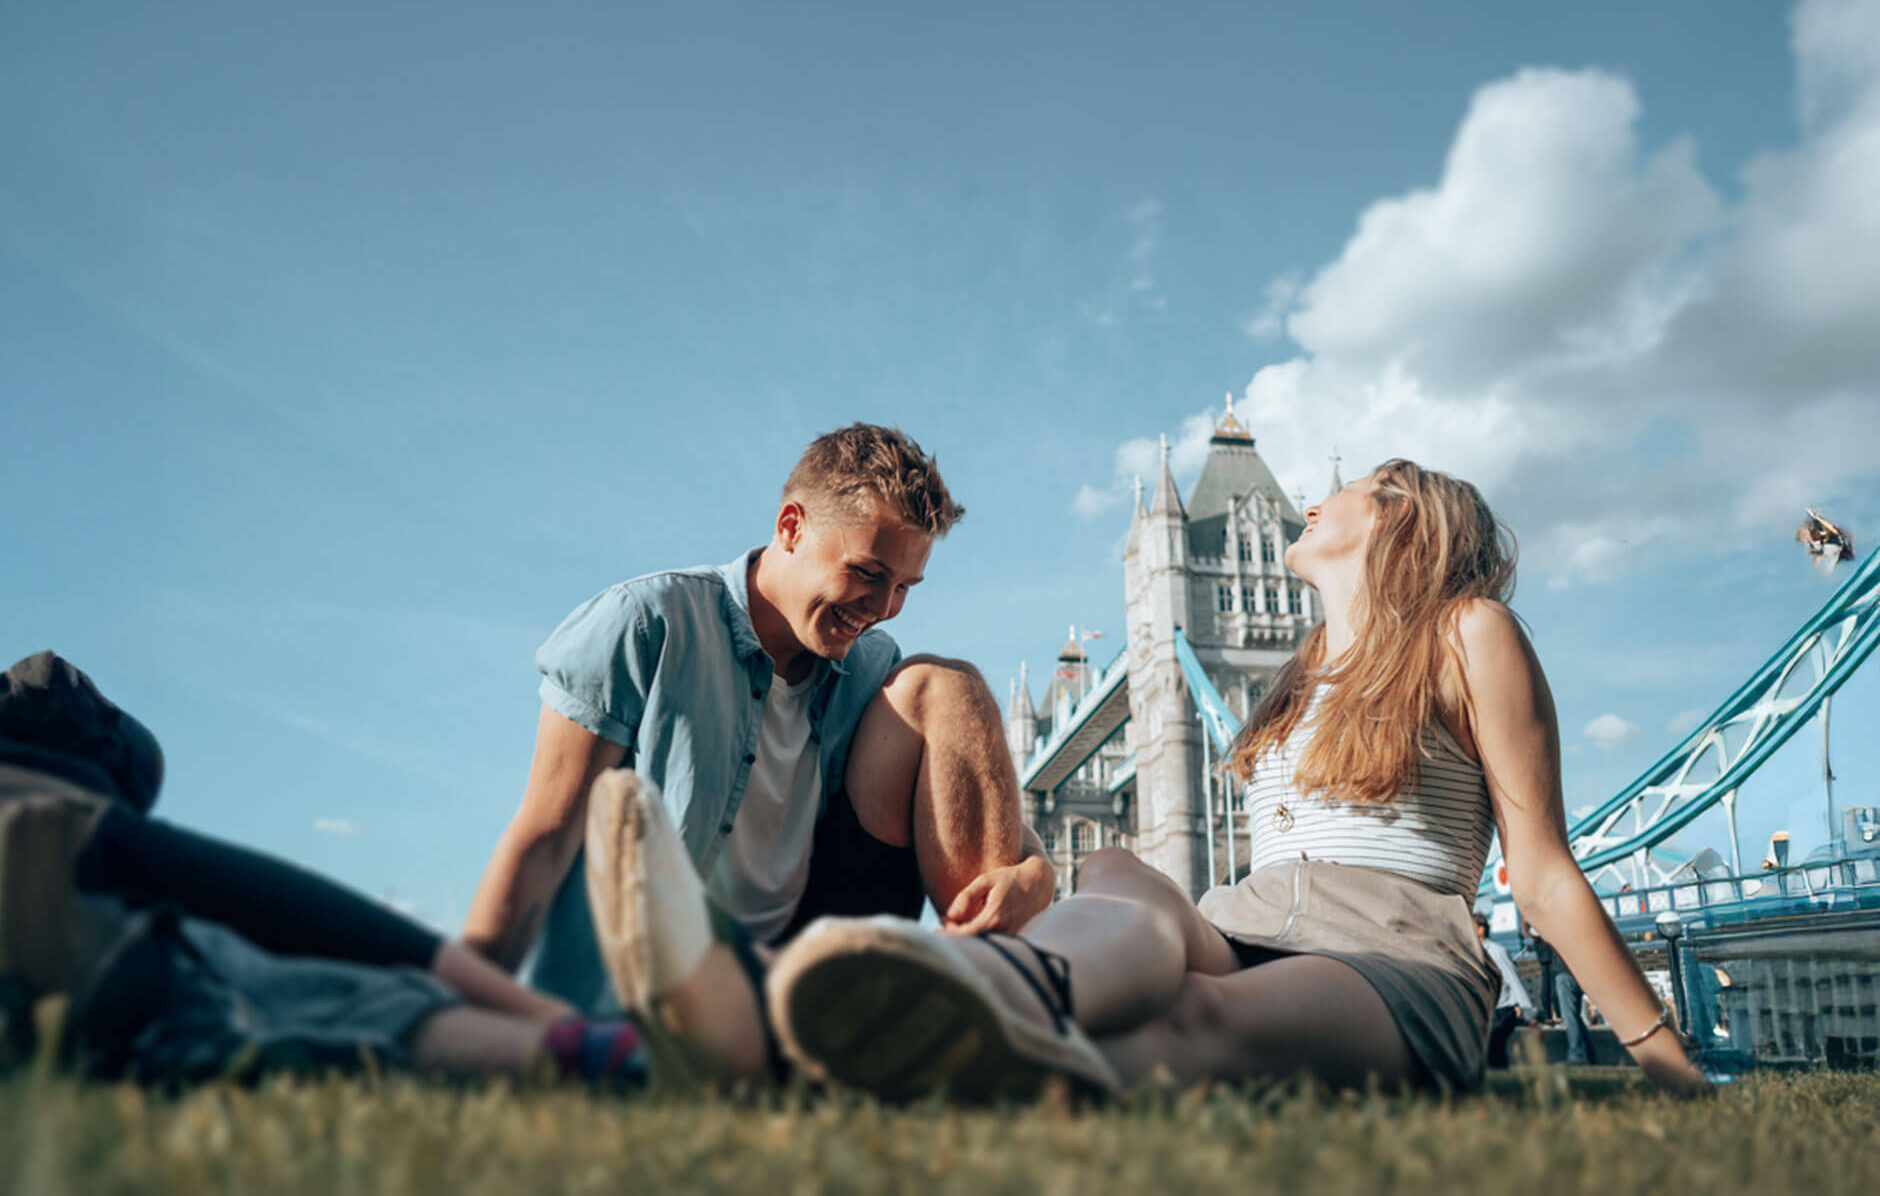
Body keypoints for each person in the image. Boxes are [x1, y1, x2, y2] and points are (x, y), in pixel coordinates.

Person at [606, 458, 1711, 1098]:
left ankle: (856, 1036)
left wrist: (1662, 1059)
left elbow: (1545, 869)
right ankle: (981, 988)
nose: (1311, 499)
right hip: (1235, 911)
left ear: (1404, 519)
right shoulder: (1303, 667)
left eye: (1357, 484)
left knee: (1196, 1016)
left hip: (1390, 945)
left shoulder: (1473, 631)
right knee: (1123, 867)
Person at [463, 423, 1053, 1022]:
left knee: (949, 686)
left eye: (904, 587)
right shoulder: (646, 623)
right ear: (791, 527)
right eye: (869, 574)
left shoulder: (874, 667)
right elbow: (545, 835)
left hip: (809, 966)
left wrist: (1035, 870)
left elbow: (970, 800)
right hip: (662, 987)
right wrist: (468, 1007)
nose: (883, 610)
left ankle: (1000, 1013)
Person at [0, 651, 646, 1086]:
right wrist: (540, 1010)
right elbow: (299, 908)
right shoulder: (53, 818)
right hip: (78, 992)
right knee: (322, 984)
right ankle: (580, 1055)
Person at [1474, 913, 1533, 1068]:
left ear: (1481, 930)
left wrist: (1527, 1010)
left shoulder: (1496, 952)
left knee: (1493, 1052)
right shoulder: (1471, 952)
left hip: (1501, 1010)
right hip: (1483, 1010)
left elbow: (1513, 979)